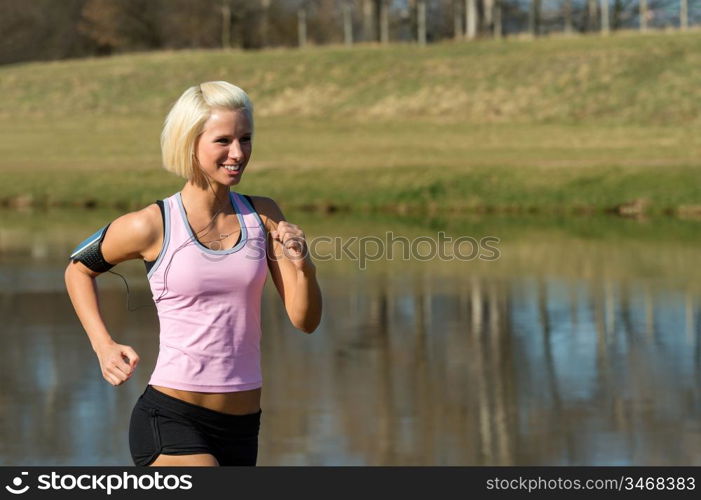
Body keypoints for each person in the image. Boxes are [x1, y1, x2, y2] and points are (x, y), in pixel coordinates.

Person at [64, 81, 323, 466]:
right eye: (223, 141)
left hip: (242, 428)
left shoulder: (263, 215)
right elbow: (77, 268)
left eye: (245, 139)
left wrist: (305, 267)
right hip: (171, 418)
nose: (238, 153)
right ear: (191, 143)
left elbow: (305, 321)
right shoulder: (152, 224)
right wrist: (103, 345)